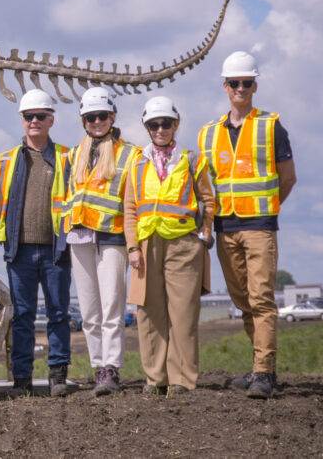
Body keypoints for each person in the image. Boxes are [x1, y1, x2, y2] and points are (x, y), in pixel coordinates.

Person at [198, 51, 296, 399]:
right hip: (226, 227)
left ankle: (263, 372)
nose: (241, 88)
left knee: (262, 298)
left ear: (255, 85)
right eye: (235, 83)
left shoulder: (271, 126)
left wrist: (266, 209)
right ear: (225, 86)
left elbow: (288, 178)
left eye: (247, 82)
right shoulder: (208, 134)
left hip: (259, 226)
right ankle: (263, 366)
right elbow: (205, 185)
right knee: (242, 301)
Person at [124, 97, 215, 395]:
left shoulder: (191, 160)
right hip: (147, 245)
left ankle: (182, 380)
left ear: (176, 125)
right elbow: (130, 209)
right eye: (154, 124)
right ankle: (155, 378)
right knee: (149, 313)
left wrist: (204, 234)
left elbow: (208, 201)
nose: (160, 129)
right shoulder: (136, 162)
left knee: (183, 313)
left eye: (165, 123)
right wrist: (132, 248)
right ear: (146, 127)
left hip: (183, 244)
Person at [63, 87, 140, 396]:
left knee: (112, 307)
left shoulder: (130, 153)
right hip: (79, 236)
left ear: (113, 116)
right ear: (83, 119)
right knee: (90, 311)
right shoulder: (73, 154)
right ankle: (98, 367)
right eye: (91, 117)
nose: (97, 121)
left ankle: (111, 369)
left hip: (112, 237)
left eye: (102, 116)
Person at [0, 88, 72, 398]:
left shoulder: (68, 157)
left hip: (56, 251)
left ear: (51, 119)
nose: (35, 121)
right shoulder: (6, 160)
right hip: (20, 251)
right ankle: (22, 377)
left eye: (41, 116)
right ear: (22, 120)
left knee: (58, 313)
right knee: (23, 316)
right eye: (29, 116)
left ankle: (58, 375)